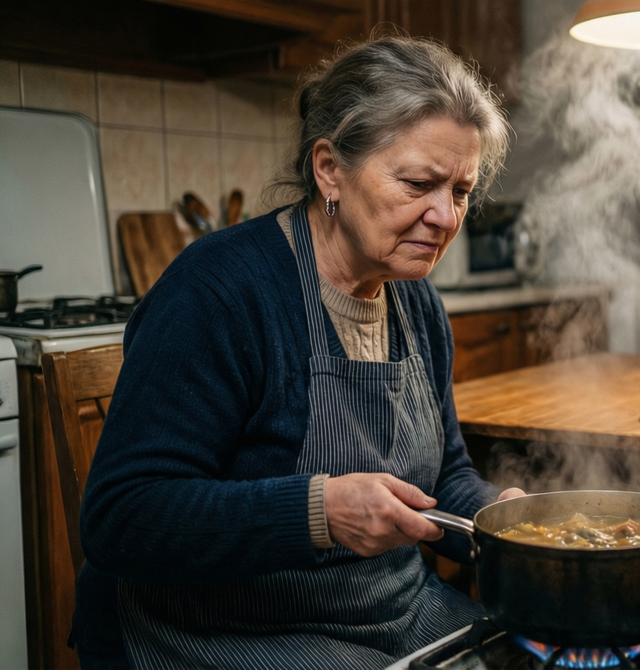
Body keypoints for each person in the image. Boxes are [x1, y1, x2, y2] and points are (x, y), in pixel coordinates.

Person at [73, 36, 522, 669]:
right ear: (329, 169)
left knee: (540, 650)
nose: (446, 218)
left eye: (461, 192)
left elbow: (443, 475)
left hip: (390, 610)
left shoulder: (416, 304)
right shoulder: (221, 291)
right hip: (225, 631)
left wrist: (503, 521)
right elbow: (122, 516)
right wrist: (320, 511)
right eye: (419, 183)